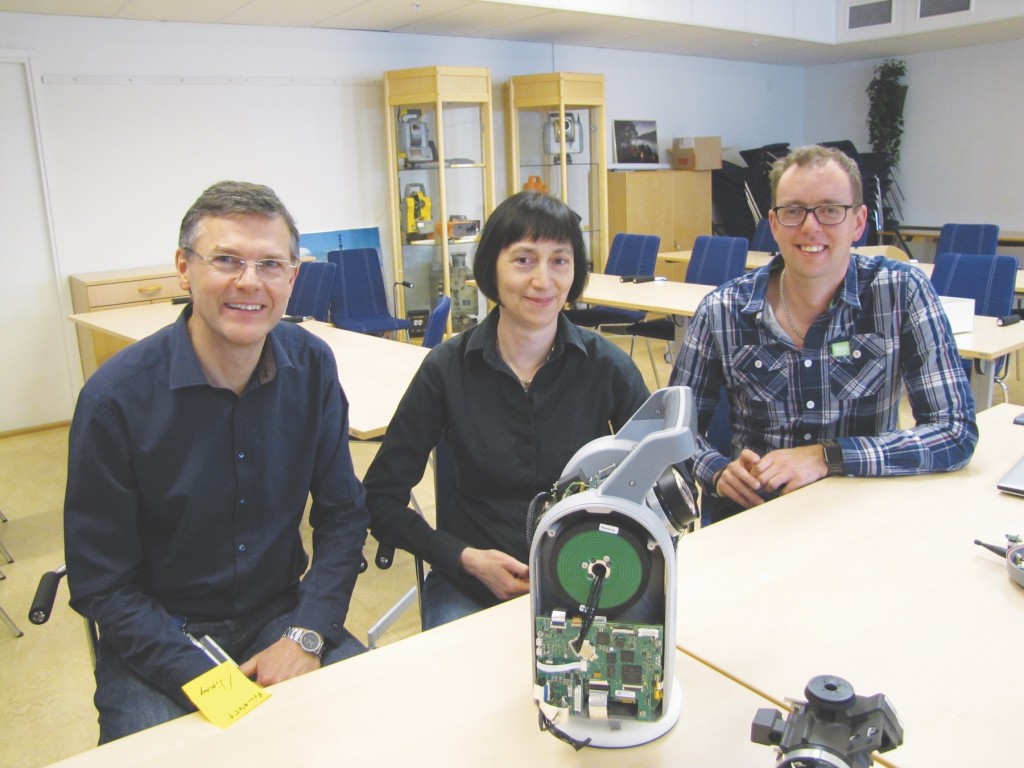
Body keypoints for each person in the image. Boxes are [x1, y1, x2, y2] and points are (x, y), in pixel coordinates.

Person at [64, 181, 369, 742]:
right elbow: (100, 580)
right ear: (184, 268)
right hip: (159, 634)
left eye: (271, 264)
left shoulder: (313, 367)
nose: (249, 281)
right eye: (226, 259)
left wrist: (306, 633)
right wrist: (204, 679)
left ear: (292, 278)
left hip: (281, 614)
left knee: (371, 730)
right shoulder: (115, 399)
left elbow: (344, 514)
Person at [362, 191, 650, 629]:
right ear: (490, 271)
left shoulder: (608, 368)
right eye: (523, 260)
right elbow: (380, 498)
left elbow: (664, 479)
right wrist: (462, 558)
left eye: (560, 260)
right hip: (470, 583)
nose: (543, 281)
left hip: (589, 577)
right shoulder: (445, 370)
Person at [671, 144, 978, 522]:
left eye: (831, 210)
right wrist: (716, 471)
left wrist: (827, 457)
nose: (810, 226)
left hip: (862, 513)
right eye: (793, 210)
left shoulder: (901, 292)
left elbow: (954, 432)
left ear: (859, 221)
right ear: (773, 222)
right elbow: (674, 430)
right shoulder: (722, 310)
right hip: (757, 517)